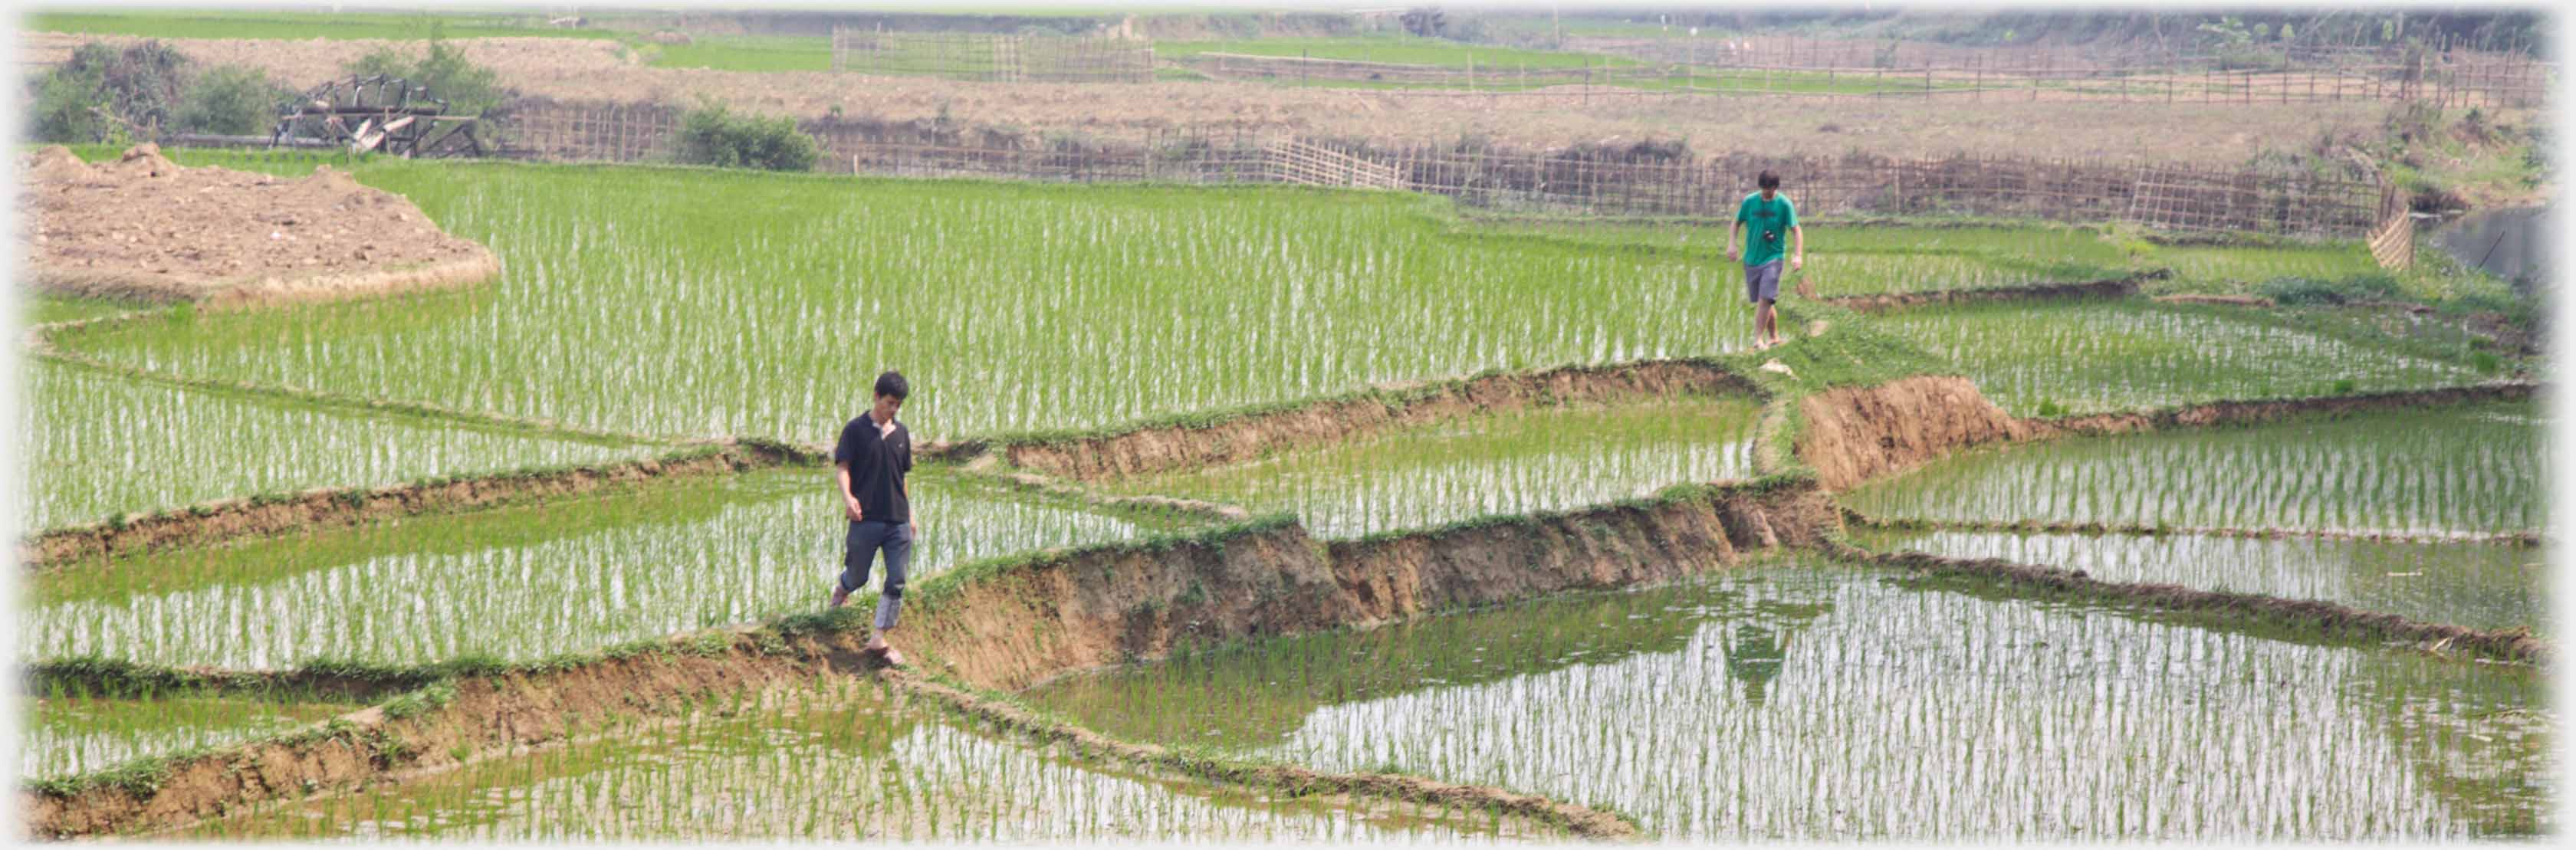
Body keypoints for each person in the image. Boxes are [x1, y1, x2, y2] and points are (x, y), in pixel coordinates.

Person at [830, 369, 918, 666]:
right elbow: (842, 467)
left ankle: (878, 638)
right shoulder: (855, 430)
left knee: (898, 579)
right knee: (858, 575)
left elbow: (901, 478)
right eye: (889, 403)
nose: (892, 410)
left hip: (897, 520)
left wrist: (911, 514)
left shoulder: (902, 434)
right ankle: (843, 588)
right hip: (866, 518)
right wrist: (849, 498)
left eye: (897, 406)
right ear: (876, 396)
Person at [1725, 171, 1804, 350]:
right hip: (1752, 258)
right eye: (1763, 190)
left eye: (1769, 191)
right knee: (1764, 301)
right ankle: (1775, 336)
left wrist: (1798, 255)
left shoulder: (1784, 204)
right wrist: (1732, 245)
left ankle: (1758, 340)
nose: (1765, 194)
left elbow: (1796, 230)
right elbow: (1736, 223)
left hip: (1774, 258)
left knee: (1766, 297)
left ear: (1776, 188)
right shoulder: (1750, 202)